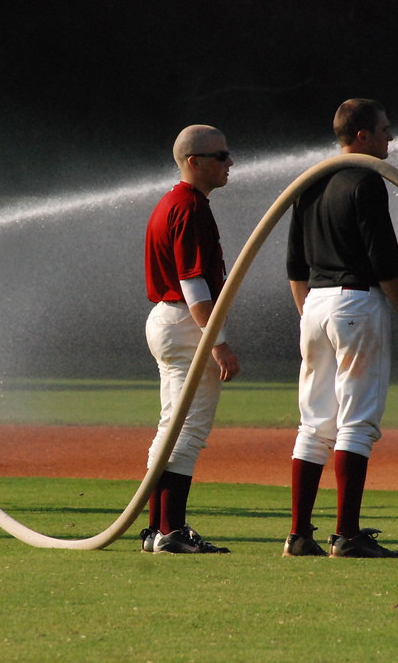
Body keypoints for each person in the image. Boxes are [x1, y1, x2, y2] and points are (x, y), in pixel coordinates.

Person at [284, 98, 398, 558]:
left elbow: (294, 263)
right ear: (361, 136)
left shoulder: (311, 181)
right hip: (356, 301)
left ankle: (299, 535)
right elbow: (384, 257)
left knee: (314, 423)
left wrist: (309, 311)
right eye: (384, 129)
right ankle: (346, 534)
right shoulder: (366, 180)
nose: (390, 137)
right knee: (357, 422)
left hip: (315, 304)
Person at [141, 124, 240, 554]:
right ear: (193, 161)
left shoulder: (174, 202)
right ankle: (170, 530)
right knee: (188, 431)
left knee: (171, 426)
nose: (229, 162)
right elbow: (193, 283)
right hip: (185, 321)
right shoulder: (190, 207)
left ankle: (156, 529)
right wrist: (217, 342)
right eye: (220, 156)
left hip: (168, 320)